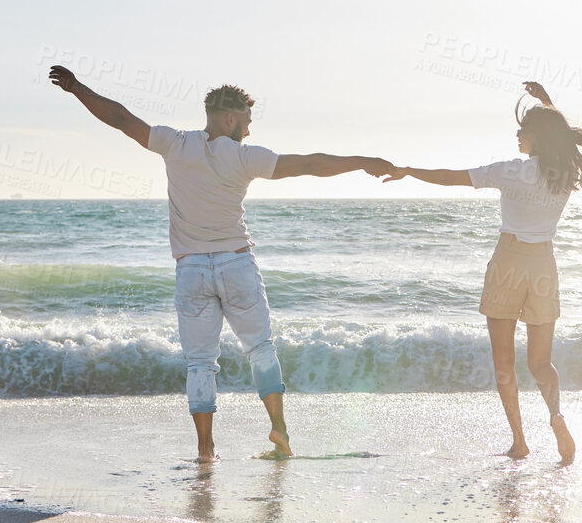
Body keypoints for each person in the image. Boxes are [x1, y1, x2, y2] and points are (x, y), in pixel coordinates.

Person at [48, 65, 392, 462]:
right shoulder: (245, 158)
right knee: (261, 349)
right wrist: (364, 159)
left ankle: (206, 449)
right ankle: (278, 429)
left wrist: (77, 89)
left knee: (200, 363)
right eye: (246, 121)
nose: (248, 129)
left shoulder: (174, 144)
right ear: (230, 118)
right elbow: (310, 164)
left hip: (191, 270)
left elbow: (122, 119)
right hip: (236, 266)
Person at [383, 82, 582, 465]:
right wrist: (546, 103)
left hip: (508, 262)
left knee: (504, 362)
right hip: (544, 266)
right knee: (540, 362)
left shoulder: (510, 172)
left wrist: (408, 171)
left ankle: (520, 440)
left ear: (537, 136)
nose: (517, 135)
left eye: (523, 129)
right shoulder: (566, 170)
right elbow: (564, 138)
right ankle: (556, 417)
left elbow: (452, 176)